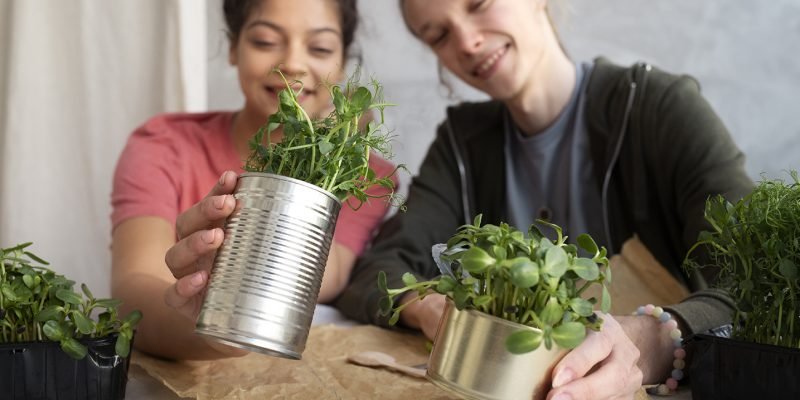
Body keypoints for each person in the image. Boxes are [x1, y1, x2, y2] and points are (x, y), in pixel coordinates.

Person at [334, 0, 753, 398]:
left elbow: (757, 285)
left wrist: (656, 338)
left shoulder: (658, 108)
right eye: (439, 35)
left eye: (479, 4)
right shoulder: (461, 145)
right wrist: (433, 309)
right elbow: (380, 269)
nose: (466, 42)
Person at [110, 0, 397, 360]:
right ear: (233, 48)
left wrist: (339, 139)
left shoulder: (364, 171)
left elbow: (330, 273)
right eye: (265, 41)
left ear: (342, 64)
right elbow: (133, 289)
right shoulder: (164, 145)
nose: (292, 63)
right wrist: (215, 325)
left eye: (320, 48)